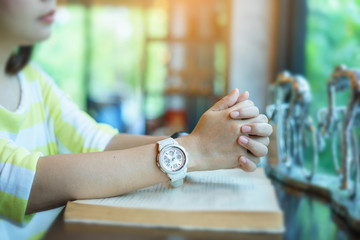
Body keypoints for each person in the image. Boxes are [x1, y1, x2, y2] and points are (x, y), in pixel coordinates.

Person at [0, 0, 272, 239]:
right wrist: (193, 151)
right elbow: (24, 181)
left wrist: (208, 142)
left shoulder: (33, 79)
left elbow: (97, 141)